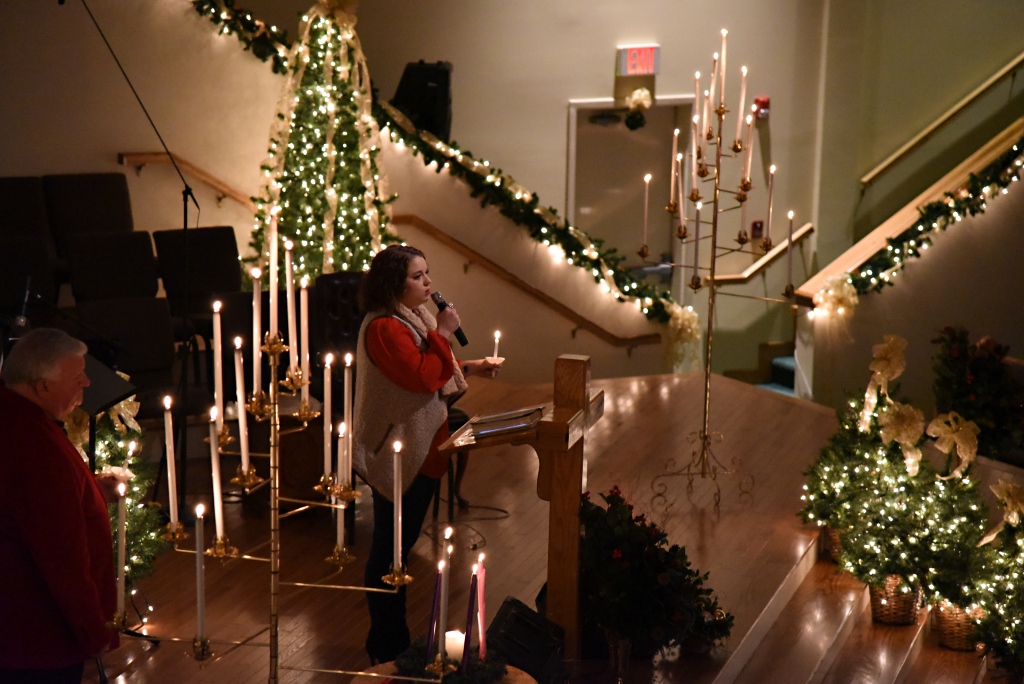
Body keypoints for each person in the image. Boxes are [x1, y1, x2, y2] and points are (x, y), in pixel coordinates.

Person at [353, 245, 501, 663]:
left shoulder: (410, 317)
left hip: (423, 447)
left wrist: (468, 366)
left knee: (399, 548)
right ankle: (386, 645)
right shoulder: (384, 327)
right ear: (393, 284)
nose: (428, 283)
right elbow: (420, 378)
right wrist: (446, 331)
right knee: (390, 551)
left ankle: (392, 641)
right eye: (418, 276)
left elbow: (428, 366)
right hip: (397, 452)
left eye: (427, 274)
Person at [0, 328, 119, 683]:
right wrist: (93, 632)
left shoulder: (17, 421)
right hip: (37, 636)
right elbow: (62, 556)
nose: (86, 384)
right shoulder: (34, 445)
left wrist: (91, 490)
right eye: (77, 378)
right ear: (43, 386)